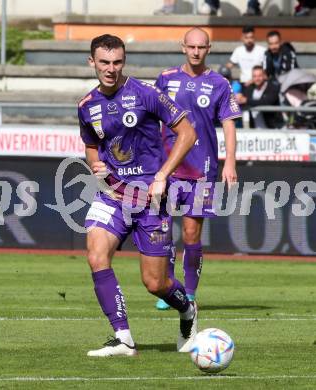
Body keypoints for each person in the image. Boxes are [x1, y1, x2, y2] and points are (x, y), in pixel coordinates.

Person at [78, 34, 198, 357]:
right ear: (92, 62)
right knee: (96, 253)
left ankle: (187, 310)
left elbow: (188, 132)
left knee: (155, 284)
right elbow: (91, 145)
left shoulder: (146, 94)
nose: (111, 69)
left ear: (124, 61)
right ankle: (123, 339)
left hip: (151, 199)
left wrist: (162, 175)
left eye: (117, 62)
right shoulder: (87, 106)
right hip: (113, 195)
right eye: (104, 62)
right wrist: (94, 164)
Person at [154, 28, 241, 310]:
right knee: (163, 231)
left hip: (202, 169)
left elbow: (228, 123)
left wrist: (230, 160)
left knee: (191, 233)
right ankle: (169, 289)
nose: (195, 51)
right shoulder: (166, 79)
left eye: (201, 47)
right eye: (191, 46)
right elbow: (153, 119)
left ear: (209, 48)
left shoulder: (219, 83)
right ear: (182, 47)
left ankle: (189, 293)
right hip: (167, 167)